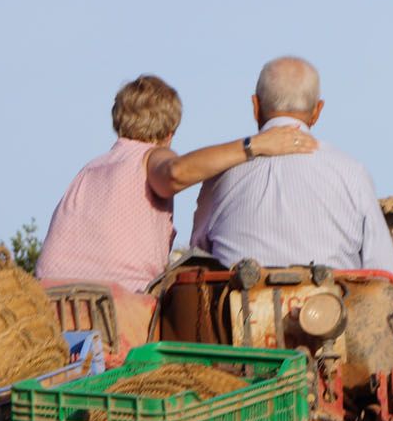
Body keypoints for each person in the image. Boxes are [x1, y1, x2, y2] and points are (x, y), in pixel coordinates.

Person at [35, 74, 317, 291]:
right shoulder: (150, 158)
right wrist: (255, 145)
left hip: (52, 298)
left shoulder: (92, 169)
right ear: (171, 133)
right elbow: (175, 173)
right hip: (116, 303)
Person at [190, 56, 393, 275]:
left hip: (238, 307)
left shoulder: (219, 172)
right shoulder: (352, 172)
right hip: (330, 305)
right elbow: (385, 273)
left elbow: (199, 253)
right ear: (317, 111)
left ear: (255, 106)